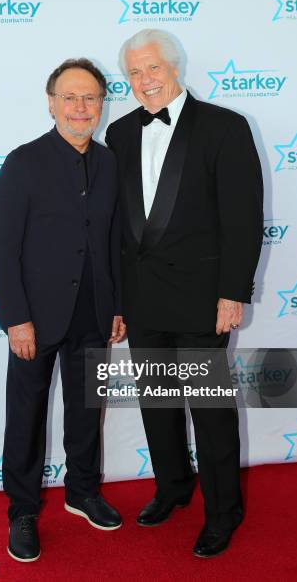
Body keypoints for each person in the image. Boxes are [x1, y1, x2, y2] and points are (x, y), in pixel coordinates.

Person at [105, 29, 263, 558]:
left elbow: (242, 221)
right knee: (157, 403)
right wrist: (119, 303)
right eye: (133, 73)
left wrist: (232, 293)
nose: (144, 81)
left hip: (202, 299)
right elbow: (118, 228)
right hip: (143, 298)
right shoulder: (121, 133)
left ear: (175, 66)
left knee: (209, 409)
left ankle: (224, 511)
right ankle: (172, 486)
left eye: (152, 68)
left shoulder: (225, 126)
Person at [0, 58, 125, 563]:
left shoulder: (111, 163)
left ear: (101, 105)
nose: (80, 107)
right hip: (35, 319)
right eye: (69, 97)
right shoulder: (22, 163)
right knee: (26, 415)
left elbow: (113, 240)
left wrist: (116, 305)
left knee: (87, 409)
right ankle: (22, 510)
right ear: (51, 103)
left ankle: (82, 491)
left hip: (94, 310)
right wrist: (15, 318)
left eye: (89, 97)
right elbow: (2, 248)